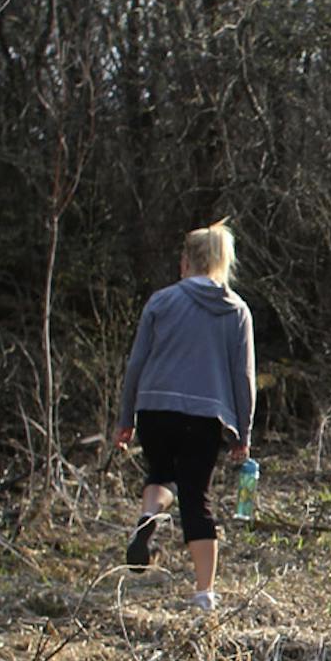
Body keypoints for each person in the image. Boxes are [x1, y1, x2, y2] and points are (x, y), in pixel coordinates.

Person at [113, 220, 257, 612]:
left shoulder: (160, 302)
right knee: (197, 497)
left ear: (187, 261)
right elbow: (244, 377)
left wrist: (126, 417)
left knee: (160, 474)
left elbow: (137, 363)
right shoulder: (236, 311)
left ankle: (147, 518)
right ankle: (204, 592)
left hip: (154, 407)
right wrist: (242, 433)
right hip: (205, 414)